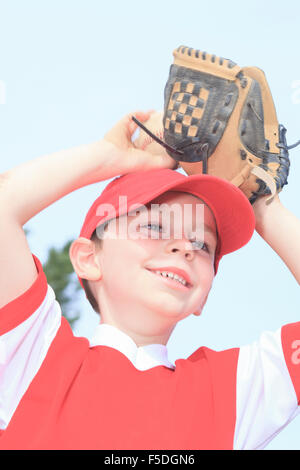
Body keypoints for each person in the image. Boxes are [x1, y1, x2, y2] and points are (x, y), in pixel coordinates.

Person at [0, 111, 299, 450]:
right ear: (88, 258)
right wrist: (109, 157)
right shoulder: (35, 357)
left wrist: (265, 208)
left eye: (202, 245)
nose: (183, 247)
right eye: (154, 227)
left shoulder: (230, 391)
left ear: (205, 294)